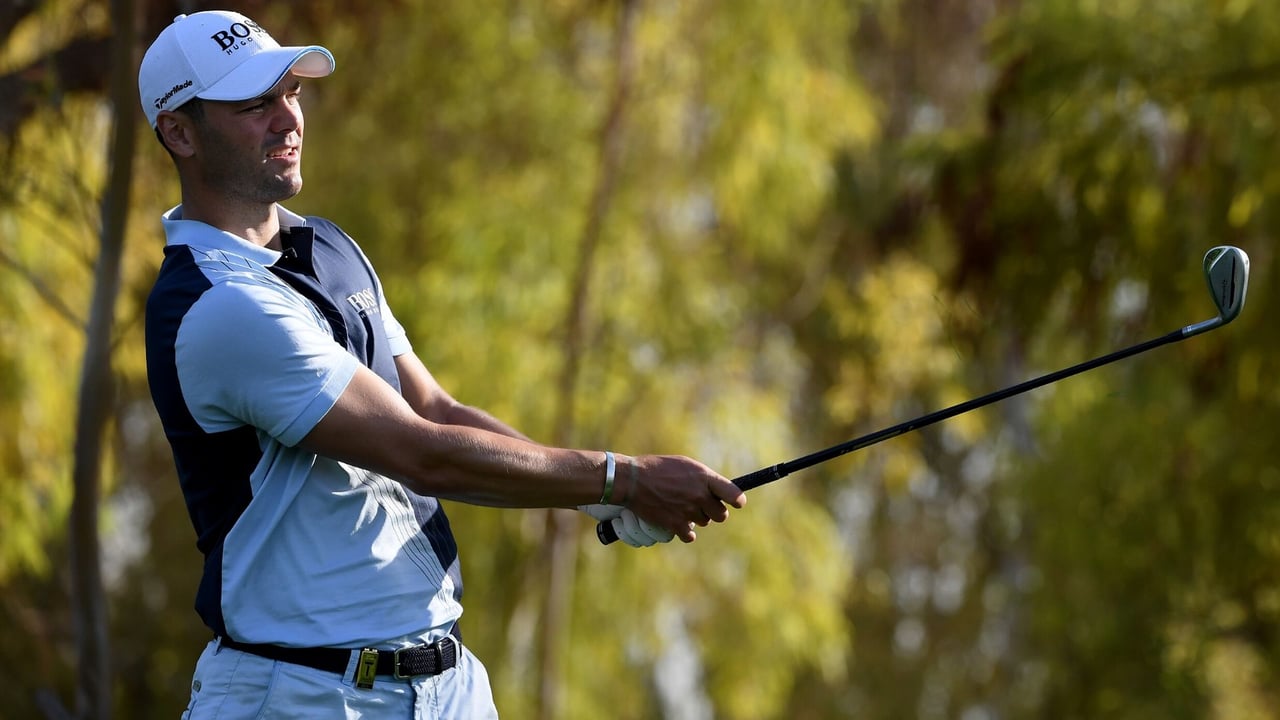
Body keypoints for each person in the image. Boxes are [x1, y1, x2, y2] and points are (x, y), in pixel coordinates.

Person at [138, 10, 745, 719]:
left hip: (447, 683)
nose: (287, 120)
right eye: (252, 105)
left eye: (290, 94)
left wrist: (603, 497)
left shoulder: (330, 247)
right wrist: (628, 477)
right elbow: (421, 454)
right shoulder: (218, 306)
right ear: (179, 132)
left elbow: (437, 410)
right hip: (300, 695)